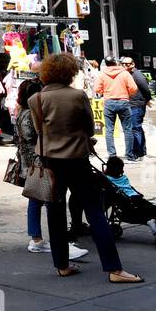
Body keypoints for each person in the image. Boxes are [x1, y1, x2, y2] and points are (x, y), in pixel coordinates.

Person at [30, 53, 141, 283]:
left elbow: (39, 131)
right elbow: (90, 129)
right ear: (70, 72)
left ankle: (61, 265)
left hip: (50, 163)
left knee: (55, 211)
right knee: (94, 211)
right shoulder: (78, 96)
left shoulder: (36, 100)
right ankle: (114, 268)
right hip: (78, 160)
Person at [15, 79, 87, 259]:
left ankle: (39, 238)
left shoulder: (24, 113)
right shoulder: (28, 115)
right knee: (48, 199)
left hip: (34, 161)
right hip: (38, 162)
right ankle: (50, 242)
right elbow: (32, 138)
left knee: (37, 199)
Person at [93, 58, 135, 158]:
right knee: (127, 129)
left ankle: (112, 155)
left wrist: (106, 93)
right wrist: (127, 94)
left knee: (109, 130)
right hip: (123, 101)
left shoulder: (102, 74)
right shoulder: (124, 73)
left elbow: (97, 89)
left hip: (109, 102)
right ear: (115, 62)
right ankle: (129, 155)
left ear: (106, 64)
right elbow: (133, 88)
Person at [120, 56, 151, 161]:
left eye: (127, 64)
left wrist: (147, 100)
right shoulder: (128, 74)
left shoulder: (137, 75)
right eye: (122, 64)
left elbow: (146, 89)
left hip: (137, 105)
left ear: (133, 64)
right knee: (137, 128)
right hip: (133, 104)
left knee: (135, 129)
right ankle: (142, 152)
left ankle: (137, 153)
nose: (124, 66)